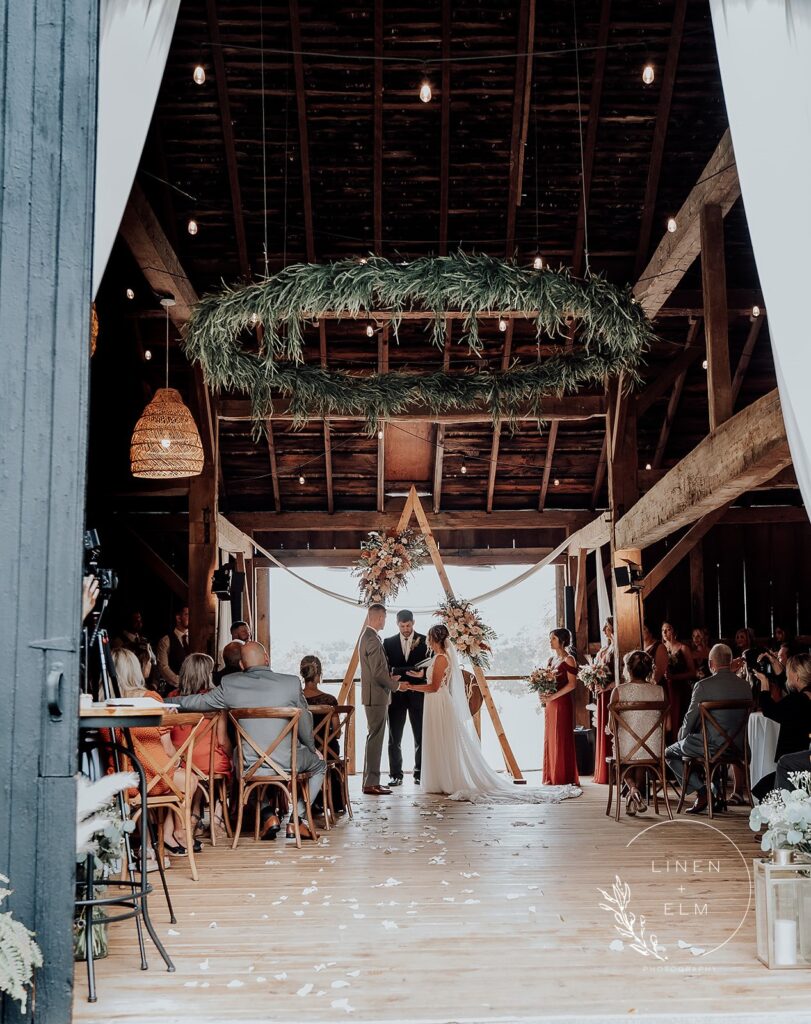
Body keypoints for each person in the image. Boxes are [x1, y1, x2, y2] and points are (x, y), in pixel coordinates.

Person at [400, 624, 580, 804]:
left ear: (434, 639)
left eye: (429, 638)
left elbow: (434, 686)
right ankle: (441, 778)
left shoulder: (440, 658)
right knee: (439, 739)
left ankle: (446, 779)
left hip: (438, 701)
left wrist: (410, 687)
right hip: (436, 701)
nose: (427, 641)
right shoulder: (440, 657)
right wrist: (418, 676)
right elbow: (435, 680)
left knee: (442, 739)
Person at [174, 641, 325, 841]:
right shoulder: (291, 683)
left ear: (243, 666)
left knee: (238, 764)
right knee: (320, 765)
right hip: (289, 761)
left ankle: (268, 814)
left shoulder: (230, 684)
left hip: (250, 765)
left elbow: (195, 702)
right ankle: (296, 819)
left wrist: (158, 701)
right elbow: (305, 721)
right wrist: (312, 748)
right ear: (267, 659)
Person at [111, 647, 199, 855]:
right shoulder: (151, 699)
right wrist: (178, 761)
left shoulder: (103, 706)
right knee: (189, 779)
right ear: (135, 670)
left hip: (121, 780)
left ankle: (148, 845)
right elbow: (168, 749)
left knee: (163, 783)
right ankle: (177, 832)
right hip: (154, 777)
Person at [664, 643, 752, 814]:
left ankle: (703, 792)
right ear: (730, 661)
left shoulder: (703, 686)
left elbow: (689, 721)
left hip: (711, 746)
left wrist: (682, 739)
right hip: (739, 747)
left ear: (711, 664)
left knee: (669, 753)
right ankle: (716, 792)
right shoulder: (745, 686)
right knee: (702, 743)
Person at [168, 653, 232, 833]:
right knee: (232, 767)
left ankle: (194, 815)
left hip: (180, 760)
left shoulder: (171, 699)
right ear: (207, 674)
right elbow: (222, 740)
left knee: (193, 770)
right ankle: (217, 816)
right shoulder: (216, 700)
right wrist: (233, 754)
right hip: (208, 761)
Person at [608, 650, 667, 816]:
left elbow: (612, 727)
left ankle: (632, 789)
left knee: (625, 752)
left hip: (627, 749)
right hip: (653, 749)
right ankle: (633, 795)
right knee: (641, 749)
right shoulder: (660, 691)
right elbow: (667, 726)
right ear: (649, 670)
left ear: (628, 669)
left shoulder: (619, 691)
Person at [751, 653, 811, 798]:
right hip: (803, 758)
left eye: (789, 672)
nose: (787, 676)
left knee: (762, 790)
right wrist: (776, 666)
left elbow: (770, 710)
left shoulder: (797, 701)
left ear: (796, 676)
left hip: (796, 765)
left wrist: (764, 684)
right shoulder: (803, 697)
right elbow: (790, 687)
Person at [359, 604, 402, 796]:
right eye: (384, 618)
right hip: (376, 696)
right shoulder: (373, 640)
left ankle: (370, 781)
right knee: (375, 739)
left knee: (373, 738)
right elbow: (377, 673)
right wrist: (396, 686)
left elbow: (376, 670)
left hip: (373, 695)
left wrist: (389, 677)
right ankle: (371, 783)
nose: (385, 621)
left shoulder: (368, 637)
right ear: (378, 618)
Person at [383, 609, 428, 787]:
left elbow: (426, 669)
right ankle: (395, 775)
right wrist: (402, 671)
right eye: (402, 626)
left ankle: (419, 773)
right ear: (397, 624)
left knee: (420, 736)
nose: (406, 629)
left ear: (413, 623)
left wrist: (400, 671)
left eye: (408, 625)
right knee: (395, 738)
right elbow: (388, 669)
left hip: (418, 695)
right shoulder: (388, 642)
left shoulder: (424, 641)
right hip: (396, 697)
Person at [300, 655, 344, 815]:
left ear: (302, 674)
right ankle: (336, 802)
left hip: (304, 750)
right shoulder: (329, 700)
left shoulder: (297, 700)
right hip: (328, 750)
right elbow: (337, 733)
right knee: (331, 750)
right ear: (319, 675)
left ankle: (308, 801)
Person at [541, 628, 580, 787]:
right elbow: (547, 682)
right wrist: (543, 695)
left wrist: (553, 697)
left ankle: (563, 776)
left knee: (560, 737)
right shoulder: (551, 660)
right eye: (550, 638)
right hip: (550, 704)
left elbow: (572, 684)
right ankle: (551, 774)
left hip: (562, 703)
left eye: (553, 639)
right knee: (550, 738)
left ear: (562, 641)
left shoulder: (569, 659)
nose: (550, 641)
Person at [662, 622, 697, 742]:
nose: (665, 632)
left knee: (679, 716)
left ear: (674, 631)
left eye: (668, 629)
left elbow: (693, 672)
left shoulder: (683, 648)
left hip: (680, 689)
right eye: (663, 630)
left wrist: (675, 677)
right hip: (665, 688)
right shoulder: (661, 649)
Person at [593, 617, 616, 785]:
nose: (604, 630)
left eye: (607, 627)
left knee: (611, 727)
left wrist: (606, 687)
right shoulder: (604, 649)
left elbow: (621, 675)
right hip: (602, 692)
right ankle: (602, 771)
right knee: (603, 727)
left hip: (612, 692)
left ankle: (613, 772)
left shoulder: (619, 648)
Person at [156, 606, 190, 691]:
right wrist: (181, 682)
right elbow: (163, 667)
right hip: (174, 690)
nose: (190, 618)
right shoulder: (166, 640)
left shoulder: (196, 639)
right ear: (178, 618)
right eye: (187, 614)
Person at [642, 622, 668, 687]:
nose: (641, 631)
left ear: (650, 631)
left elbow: (658, 674)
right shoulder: (639, 646)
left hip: (655, 687)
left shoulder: (659, 647)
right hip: (642, 686)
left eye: (644, 629)